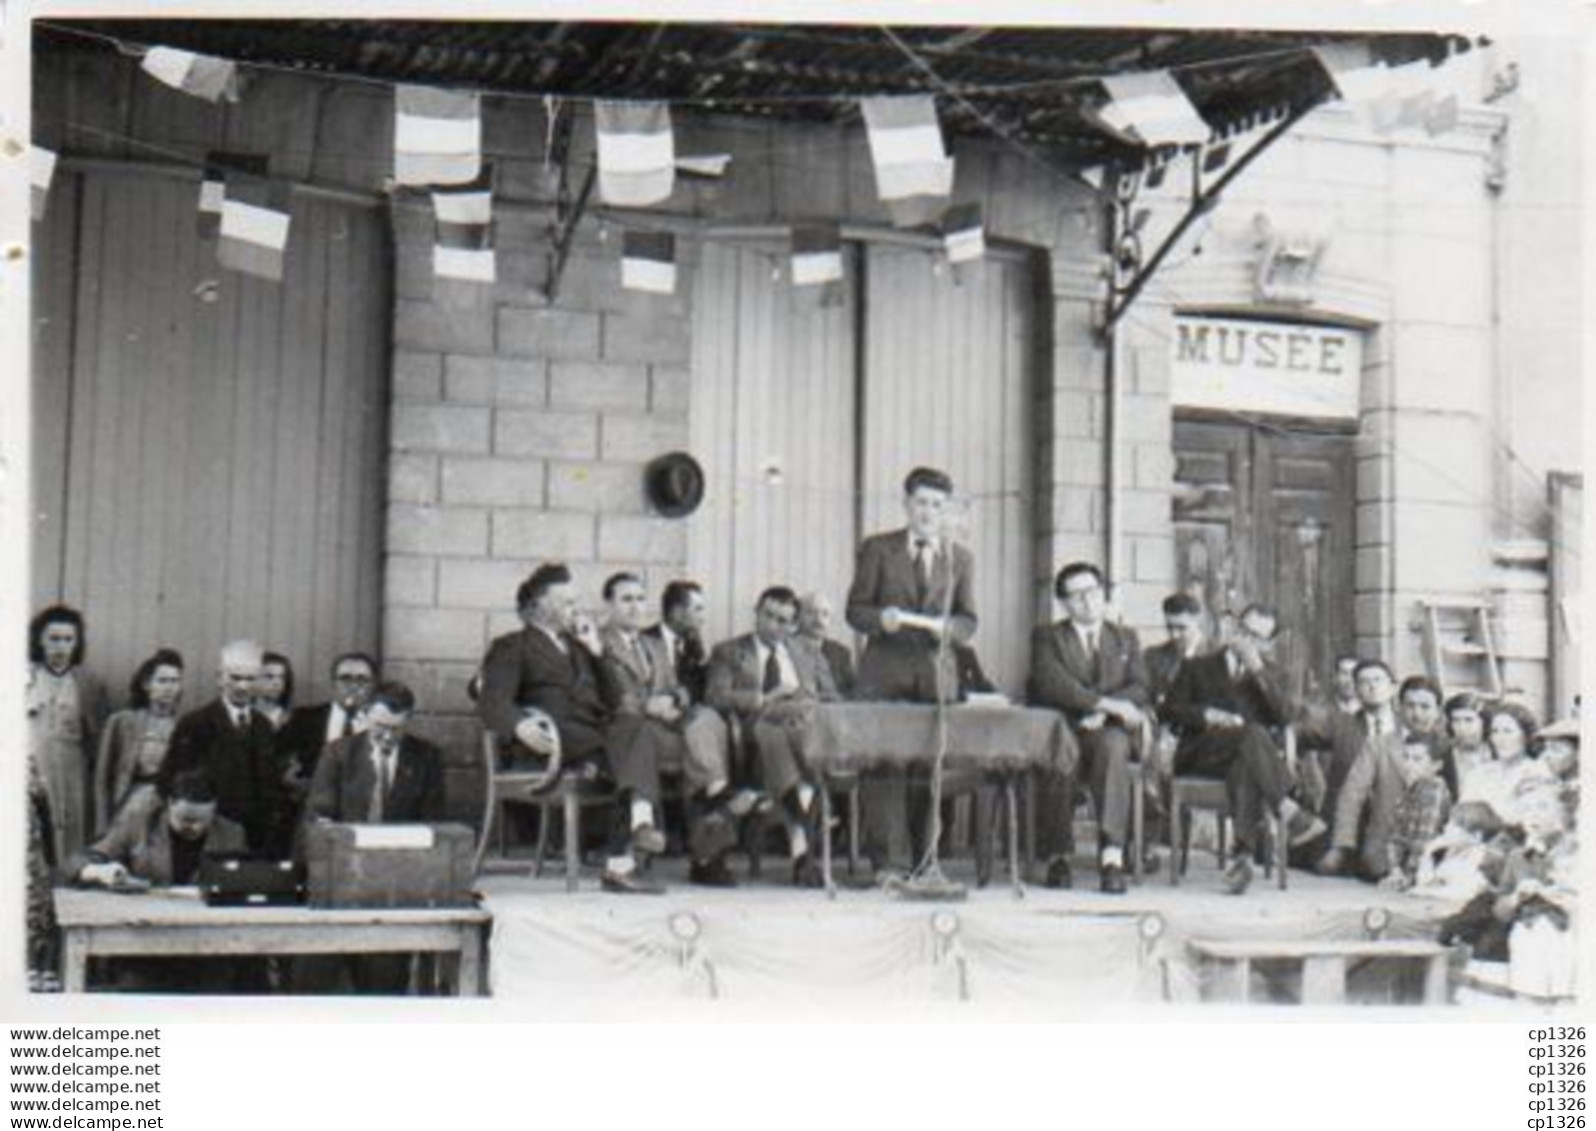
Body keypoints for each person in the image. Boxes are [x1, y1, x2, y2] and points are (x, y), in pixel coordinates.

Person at [477, 563, 672, 895]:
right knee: (631, 748)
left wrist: (597, 652)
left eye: (575, 601)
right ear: (539, 605)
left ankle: (635, 828)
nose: (575, 608)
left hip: (592, 739)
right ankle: (626, 852)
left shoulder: (580, 646)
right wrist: (519, 724)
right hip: (547, 741)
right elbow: (492, 700)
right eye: (567, 602)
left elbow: (615, 699)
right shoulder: (512, 646)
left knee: (634, 732)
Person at [845, 466, 976, 872]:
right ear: (906, 504)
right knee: (883, 767)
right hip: (884, 675)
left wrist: (950, 630)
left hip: (936, 678)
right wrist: (878, 620)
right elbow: (855, 610)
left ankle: (925, 861)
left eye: (937, 505)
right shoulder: (878, 549)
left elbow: (968, 620)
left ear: (946, 510)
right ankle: (883, 862)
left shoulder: (960, 558)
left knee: (930, 768)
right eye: (921, 502)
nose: (928, 512)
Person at [1161, 604, 1325, 894]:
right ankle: (1285, 805)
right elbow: (1169, 711)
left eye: (1258, 637)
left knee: (1247, 755)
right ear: (1234, 629)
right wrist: (1206, 715)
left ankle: (1243, 856)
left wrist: (1258, 671)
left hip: (1246, 762)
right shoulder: (1197, 666)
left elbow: (1286, 716)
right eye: (1245, 631)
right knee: (1253, 735)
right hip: (1202, 754)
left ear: (1268, 642)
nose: (1249, 641)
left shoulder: (1273, 674)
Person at [598, 571, 744, 888]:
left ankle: (710, 826)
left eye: (639, 599)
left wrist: (673, 698)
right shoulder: (600, 644)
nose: (635, 607)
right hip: (628, 730)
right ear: (608, 605)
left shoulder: (653, 645)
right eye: (626, 600)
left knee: (706, 728)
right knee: (693, 752)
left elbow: (679, 687)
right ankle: (710, 818)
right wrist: (650, 704)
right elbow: (610, 692)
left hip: (664, 728)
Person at [67, 770, 253, 993]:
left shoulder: (232, 834)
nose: (193, 828)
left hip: (206, 947)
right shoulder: (138, 825)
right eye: (185, 820)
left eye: (202, 821)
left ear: (214, 808)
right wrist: (97, 870)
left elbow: (242, 883)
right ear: (170, 804)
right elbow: (75, 862)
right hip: (144, 943)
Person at [1027, 562, 1150, 894]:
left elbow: (1140, 687)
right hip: (1064, 726)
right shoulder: (1048, 637)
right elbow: (1054, 684)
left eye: (1093, 592)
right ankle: (1058, 856)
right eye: (1076, 595)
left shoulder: (1125, 637)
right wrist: (1106, 706)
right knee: (1060, 753)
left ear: (1103, 594)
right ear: (1064, 603)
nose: (1087, 601)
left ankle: (1112, 857)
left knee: (1114, 747)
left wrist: (1106, 715)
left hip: (1108, 732)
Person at [707, 586, 840, 887]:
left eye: (782, 620)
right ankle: (805, 825)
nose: (772, 625)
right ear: (756, 612)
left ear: (794, 625)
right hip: (754, 736)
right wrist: (765, 697)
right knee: (773, 732)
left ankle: (801, 853)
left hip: (802, 731)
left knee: (794, 740)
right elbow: (716, 696)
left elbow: (831, 695)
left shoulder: (807, 653)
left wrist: (808, 705)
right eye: (767, 616)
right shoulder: (729, 651)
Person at [159, 639, 294, 858]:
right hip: (212, 838)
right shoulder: (195, 723)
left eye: (250, 679)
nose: (242, 686)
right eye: (235, 678)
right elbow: (171, 780)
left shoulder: (263, 726)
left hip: (255, 838)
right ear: (220, 678)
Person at [27, 604, 110, 862]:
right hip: (34, 767)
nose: (60, 647)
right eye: (53, 639)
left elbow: (98, 737)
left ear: (76, 643)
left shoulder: (88, 683)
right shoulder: (25, 676)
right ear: (40, 639)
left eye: (67, 640)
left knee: (71, 831)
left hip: (73, 772)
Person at [1318, 660, 1410, 881]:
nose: (1372, 687)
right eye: (1364, 682)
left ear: (1392, 687)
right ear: (1356, 690)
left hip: (1395, 811)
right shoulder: (1341, 725)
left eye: (1378, 680)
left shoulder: (1408, 723)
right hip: (1351, 816)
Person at [94, 648, 185, 836]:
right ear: (146, 684)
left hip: (166, 809)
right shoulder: (122, 722)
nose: (169, 688)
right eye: (162, 681)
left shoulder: (185, 727)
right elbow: (102, 779)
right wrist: (102, 825)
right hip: (128, 803)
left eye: (175, 681)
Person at [277, 651, 379, 801]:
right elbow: (278, 758)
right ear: (333, 683)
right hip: (312, 805)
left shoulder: (380, 724)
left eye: (362, 680)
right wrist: (290, 778)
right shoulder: (304, 718)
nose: (353, 686)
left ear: (372, 685)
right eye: (345, 679)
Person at [1376, 733, 1453, 891]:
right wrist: (1395, 869)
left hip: (1429, 864)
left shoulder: (1435, 789)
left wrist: (1409, 876)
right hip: (1408, 863)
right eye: (1406, 757)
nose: (1409, 764)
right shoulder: (1412, 788)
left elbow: (1425, 840)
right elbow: (1396, 835)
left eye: (1417, 759)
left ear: (1436, 766)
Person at [644, 580, 711, 704]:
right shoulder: (643, 641)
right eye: (698, 609)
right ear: (677, 613)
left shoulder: (693, 643)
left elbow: (699, 686)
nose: (702, 618)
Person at [1143, 592, 1207, 709]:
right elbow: (1144, 700)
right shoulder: (1152, 656)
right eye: (1169, 627)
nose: (1174, 635)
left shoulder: (1218, 655)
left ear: (1198, 623)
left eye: (1181, 628)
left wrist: (1189, 655)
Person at [798, 591, 855, 700]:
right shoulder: (785, 648)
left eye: (825, 614)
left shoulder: (841, 653)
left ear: (830, 620)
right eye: (810, 612)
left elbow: (852, 691)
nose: (818, 619)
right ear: (798, 616)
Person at [1442, 691, 1493, 800]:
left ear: (1483, 722)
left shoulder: (1499, 753)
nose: (1462, 727)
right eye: (1456, 721)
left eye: (1468, 720)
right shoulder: (1443, 759)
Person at [254, 651, 296, 731]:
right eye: (269, 676)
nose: (277, 683)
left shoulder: (289, 713)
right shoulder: (245, 713)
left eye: (281, 677)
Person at [1398, 675, 1446, 739]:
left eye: (1425, 706)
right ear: (1400, 707)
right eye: (1410, 705)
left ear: (1438, 711)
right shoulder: (1383, 743)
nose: (1417, 713)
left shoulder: (1449, 745)